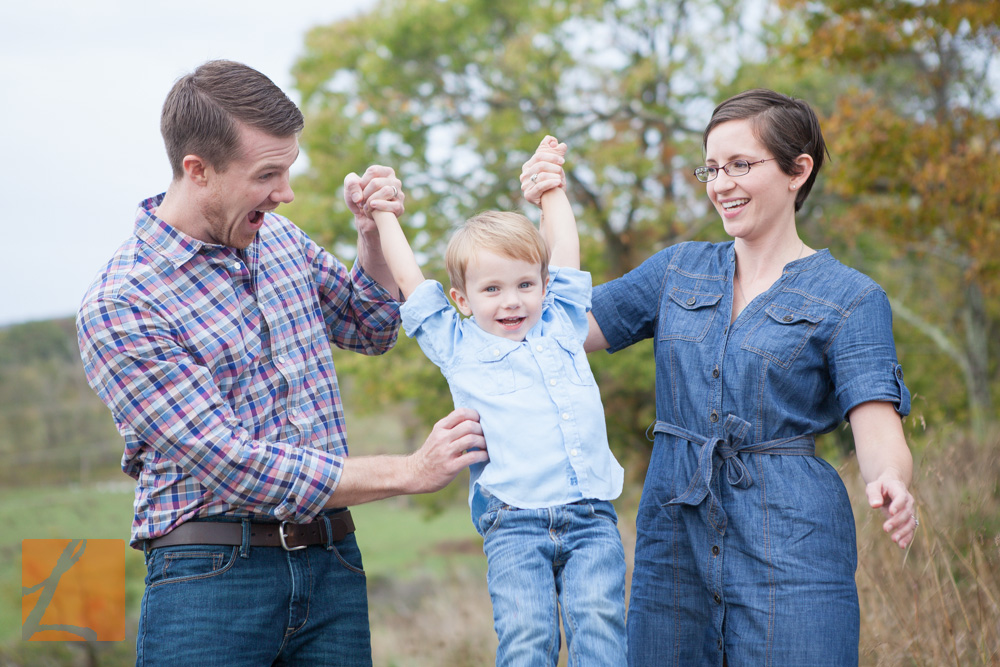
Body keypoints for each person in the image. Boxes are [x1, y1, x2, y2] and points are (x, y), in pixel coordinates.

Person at [76, 59, 487, 666]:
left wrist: (372, 234)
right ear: (198, 170)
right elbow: (231, 461)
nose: (286, 192)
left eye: (288, 169)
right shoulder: (123, 303)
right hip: (213, 580)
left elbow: (369, 324)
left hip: (332, 563)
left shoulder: (279, 239)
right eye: (268, 173)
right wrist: (410, 471)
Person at [522, 90, 917, 666]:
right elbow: (562, 330)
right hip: (673, 534)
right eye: (711, 168)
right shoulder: (676, 269)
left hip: (794, 542)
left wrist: (893, 482)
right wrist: (552, 207)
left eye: (741, 165)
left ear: (797, 171)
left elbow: (878, 429)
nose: (720, 183)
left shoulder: (852, 298)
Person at [368, 136, 627, 665]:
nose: (512, 300)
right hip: (514, 524)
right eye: (492, 290)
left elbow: (566, 254)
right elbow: (411, 282)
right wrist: (383, 213)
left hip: (592, 516)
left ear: (543, 285)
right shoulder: (457, 345)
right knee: (527, 639)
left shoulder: (562, 324)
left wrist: (550, 188)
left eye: (525, 285)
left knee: (600, 633)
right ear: (462, 299)